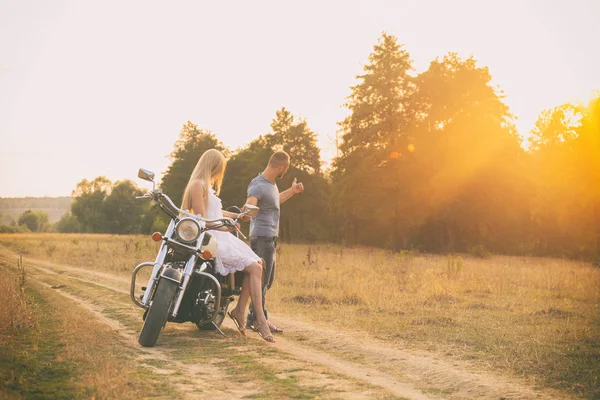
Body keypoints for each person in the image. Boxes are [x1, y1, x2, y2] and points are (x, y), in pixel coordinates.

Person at [181, 148, 274, 343]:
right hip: (212, 239)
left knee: (257, 264)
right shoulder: (198, 185)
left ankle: (241, 311)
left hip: (221, 235)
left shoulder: (205, 185)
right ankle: (259, 320)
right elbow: (201, 219)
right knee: (255, 267)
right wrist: (224, 228)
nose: (219, 173)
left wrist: (238, 215)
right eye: (220, 168)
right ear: (213, 166)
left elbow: (216, 211)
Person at [245, 150, 304, 333]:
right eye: (285, 169)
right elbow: (250, 204)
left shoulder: (272, 185)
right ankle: (257, 319)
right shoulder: (258, 184)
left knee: (266, 282)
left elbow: (274, 202)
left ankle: (253, 317)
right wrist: (248, 210)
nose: (284, 172)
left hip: (270, 238)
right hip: (261, 238)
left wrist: (292, 192)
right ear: (281, 167)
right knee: (261, 282)